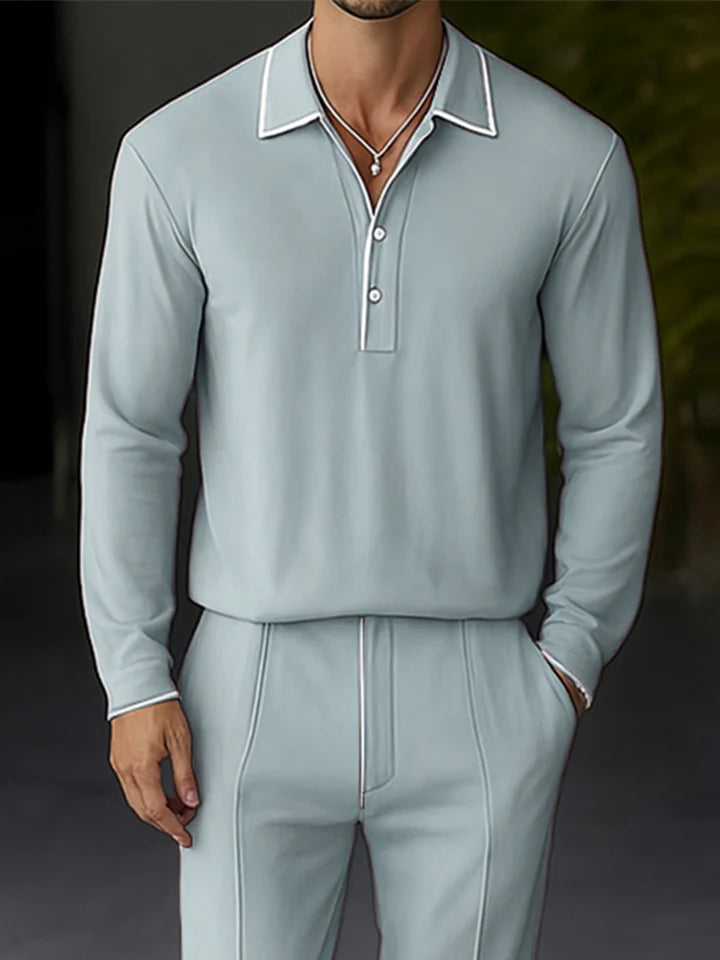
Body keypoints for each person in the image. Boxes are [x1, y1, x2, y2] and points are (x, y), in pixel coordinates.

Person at [78, 1, 664, 957]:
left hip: (477, 691)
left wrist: (572, 657)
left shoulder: (571, 160)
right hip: (248, 693)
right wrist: (133, 677)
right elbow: (131, 429)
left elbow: (614, 427)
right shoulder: (175, 153)